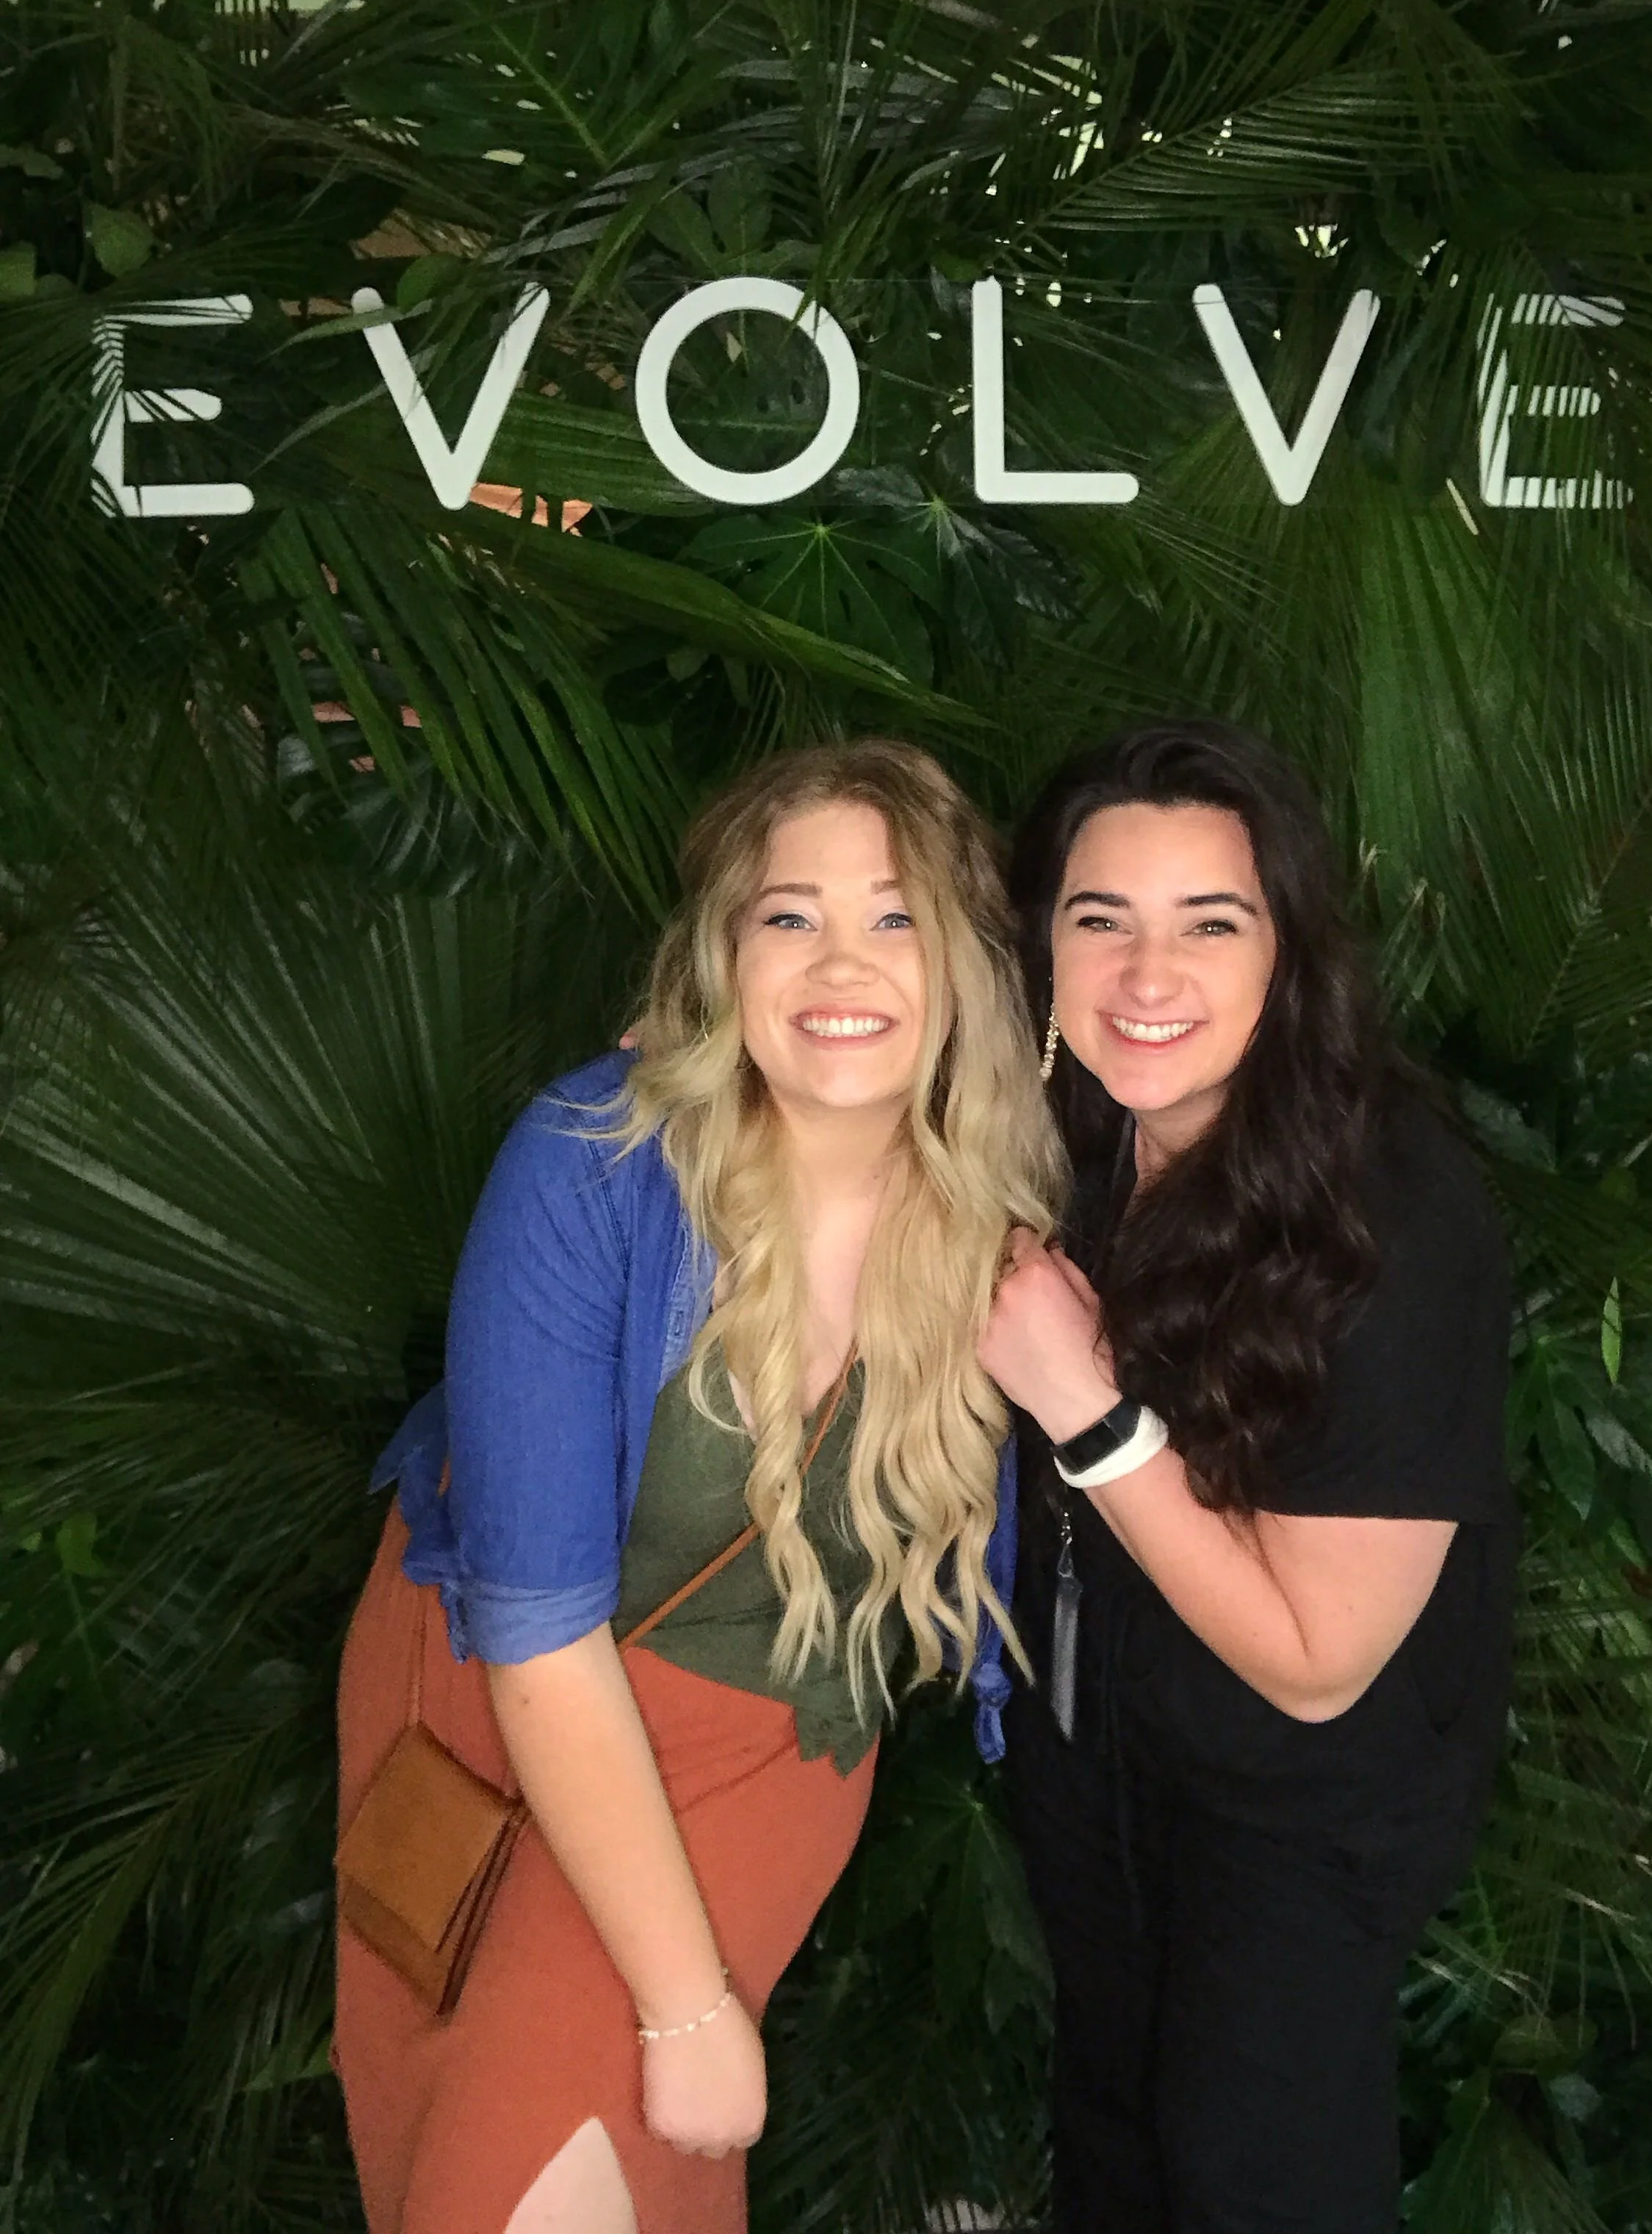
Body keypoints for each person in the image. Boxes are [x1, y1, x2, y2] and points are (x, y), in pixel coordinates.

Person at [333, 739, 1059, 2234]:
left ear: (970, 967)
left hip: (762, 1747)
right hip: (501, 1697)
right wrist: (680, 2003)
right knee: (494, 2178)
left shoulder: (1010, 1203)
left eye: (896, 913)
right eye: (789, 913)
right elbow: (535, 1624)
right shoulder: (598, 1164)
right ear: (724, 956)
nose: (839, 959)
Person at [978, 719, 1517, 2234]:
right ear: (1042, 944)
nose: (1149, 978)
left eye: (1210, 922)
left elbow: (1316, 1660)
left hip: (1298, 1811)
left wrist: (1083, 1402)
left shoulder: (1395, 1211)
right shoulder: (1075, 1132)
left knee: (1247, 2174)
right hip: (1101, 1764)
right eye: (1102, 920)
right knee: (1116, 2151)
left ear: (1288, 950)